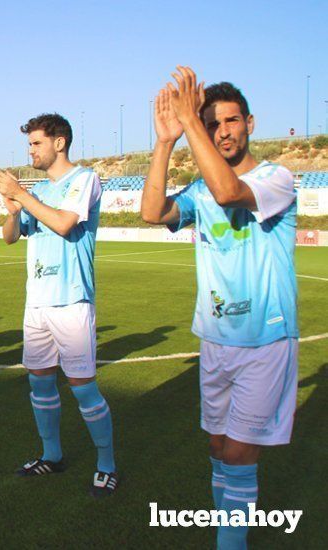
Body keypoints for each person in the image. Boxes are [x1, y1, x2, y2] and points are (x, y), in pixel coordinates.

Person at [140, 67, 298, 548]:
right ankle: (228, 529)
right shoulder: (200, 189)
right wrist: (167, 141)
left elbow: (231, 192)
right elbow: (152, 212)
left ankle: (231, 543)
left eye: (229, 121)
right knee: (216, 447)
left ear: (250, 122)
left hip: (264, 341)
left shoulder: (277, 178)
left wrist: (189, 119)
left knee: (237, 453)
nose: (221, 131)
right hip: (214, 339)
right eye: (212, 124)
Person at [0, 113, 117, 497]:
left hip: (71, 301)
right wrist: (14, 212)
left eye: (36, 143)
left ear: (59, 143)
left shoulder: (84, 179)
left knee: (82, 387)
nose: (30, 150)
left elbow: (64, 224)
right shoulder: (36, 192)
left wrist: (24, 196)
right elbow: (11, 238)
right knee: (39, 381)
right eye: (29, 144)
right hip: (38, 303)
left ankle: (107, 465)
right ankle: (52, 455)